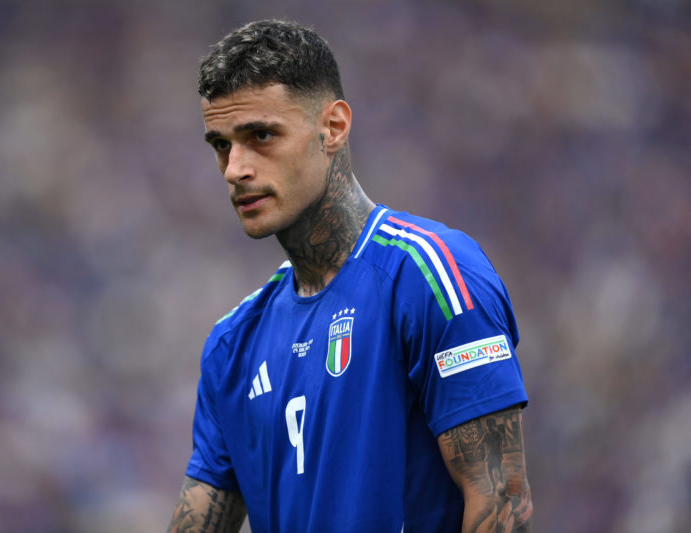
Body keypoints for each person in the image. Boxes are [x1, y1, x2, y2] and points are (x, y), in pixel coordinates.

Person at [167, 19, 532, 533]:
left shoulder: (433, 277)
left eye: (261, 135)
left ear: (333, 127)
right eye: (222, 145)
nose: (235, 168)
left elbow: (502, 501)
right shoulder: (233, 344)